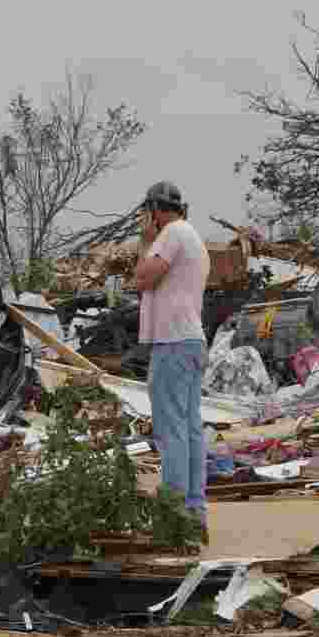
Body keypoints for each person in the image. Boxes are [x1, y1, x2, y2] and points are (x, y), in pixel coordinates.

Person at [134, 181, 211, 543]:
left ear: (155, 211)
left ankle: (175, 517)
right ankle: (195, 512)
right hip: (192, 340)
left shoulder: (170, 234)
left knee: (172, 431)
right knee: (191, 429)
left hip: (173, 341)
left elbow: (143, 277)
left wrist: (146, 241)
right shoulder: (193, 237)